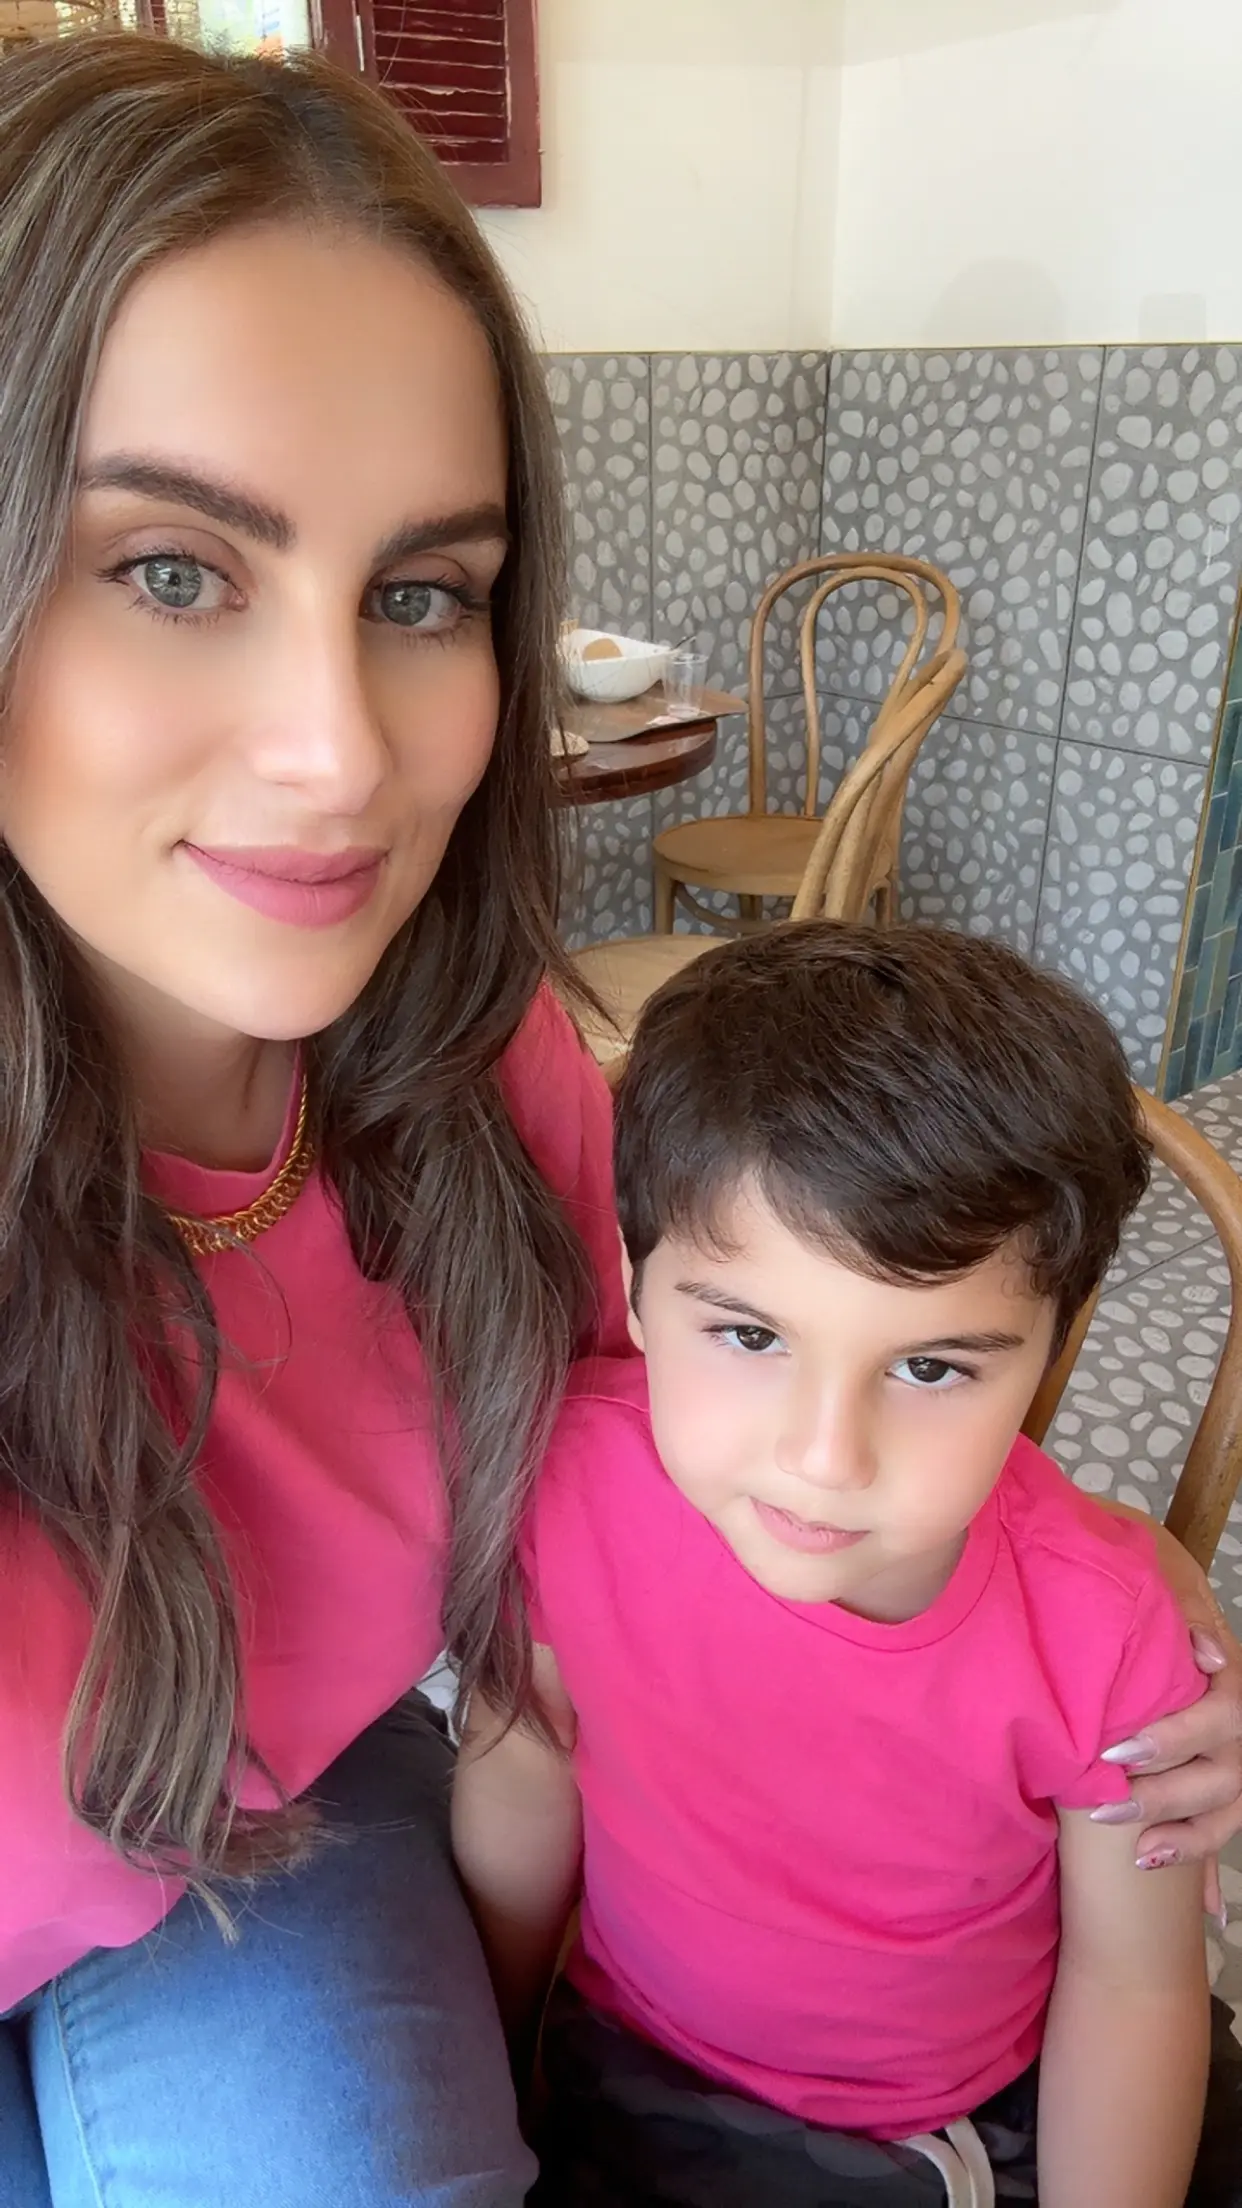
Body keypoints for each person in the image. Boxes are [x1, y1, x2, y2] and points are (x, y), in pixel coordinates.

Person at [0, 32, 1236, 2208]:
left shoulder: (469, 1073)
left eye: (422, 595)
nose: (337, 753)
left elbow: (762, 1372)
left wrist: (1088, 1574)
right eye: (173, 569)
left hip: (259, 1867)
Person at [453, 924, 1242, 2207]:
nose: (824, 1458)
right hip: (636, 2077)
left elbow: (1133, 1987)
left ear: (1048, 1352)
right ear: (636, 1289)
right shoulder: (560, 1484)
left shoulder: (1104, 1634)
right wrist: (480, 2073)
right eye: (750, 1336)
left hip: (962, 2130)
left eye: (929, 1366)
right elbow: (520, 1773)